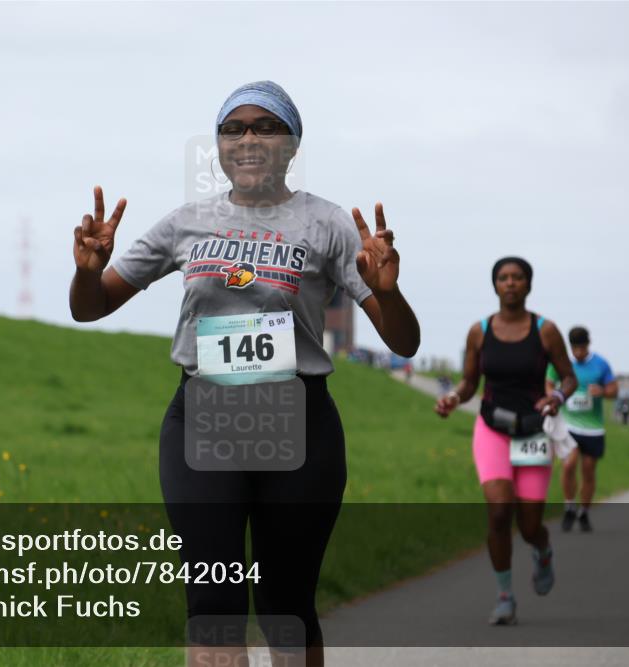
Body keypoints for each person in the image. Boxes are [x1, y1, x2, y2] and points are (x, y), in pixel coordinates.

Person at [69, 80, 421, 666]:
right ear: (219, 146)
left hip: (299, 424)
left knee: (286, 603)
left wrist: (390, 291)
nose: (249, 138)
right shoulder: (187, 222)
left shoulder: (328, 223)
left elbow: (402, 340)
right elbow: (90, 305)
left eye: (265, 126)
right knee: (212, 603)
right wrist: (87, 270)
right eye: (234, 129)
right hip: (203, 419)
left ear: (291, 143)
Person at [434, 257, 577, 626]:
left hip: (533, 431)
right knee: (499, 513)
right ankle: (504, 596)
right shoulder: (479, 332)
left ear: (528, 285)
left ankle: (542, 551)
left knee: (529, 525)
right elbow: (469, 383)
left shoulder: (545, 330)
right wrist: (453, 397)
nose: (510, 283)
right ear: (494, 285)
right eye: (503, 277)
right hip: (493, 429)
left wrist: (557, 398)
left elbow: (568, 378)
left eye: (517, 278)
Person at [545, 326, 617, 533]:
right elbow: (549, 383)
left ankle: (583, 511)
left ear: (588, 344)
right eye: (575, 348)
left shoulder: (600, 364)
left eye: (582, 348)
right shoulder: (561, 363)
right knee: (568, 465)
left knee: (588, 471)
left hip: (593, 428)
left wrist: (602, 391)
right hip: (569, 424)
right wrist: (554, 396)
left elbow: (614, 390)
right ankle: (569, 506)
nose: (578, 352)